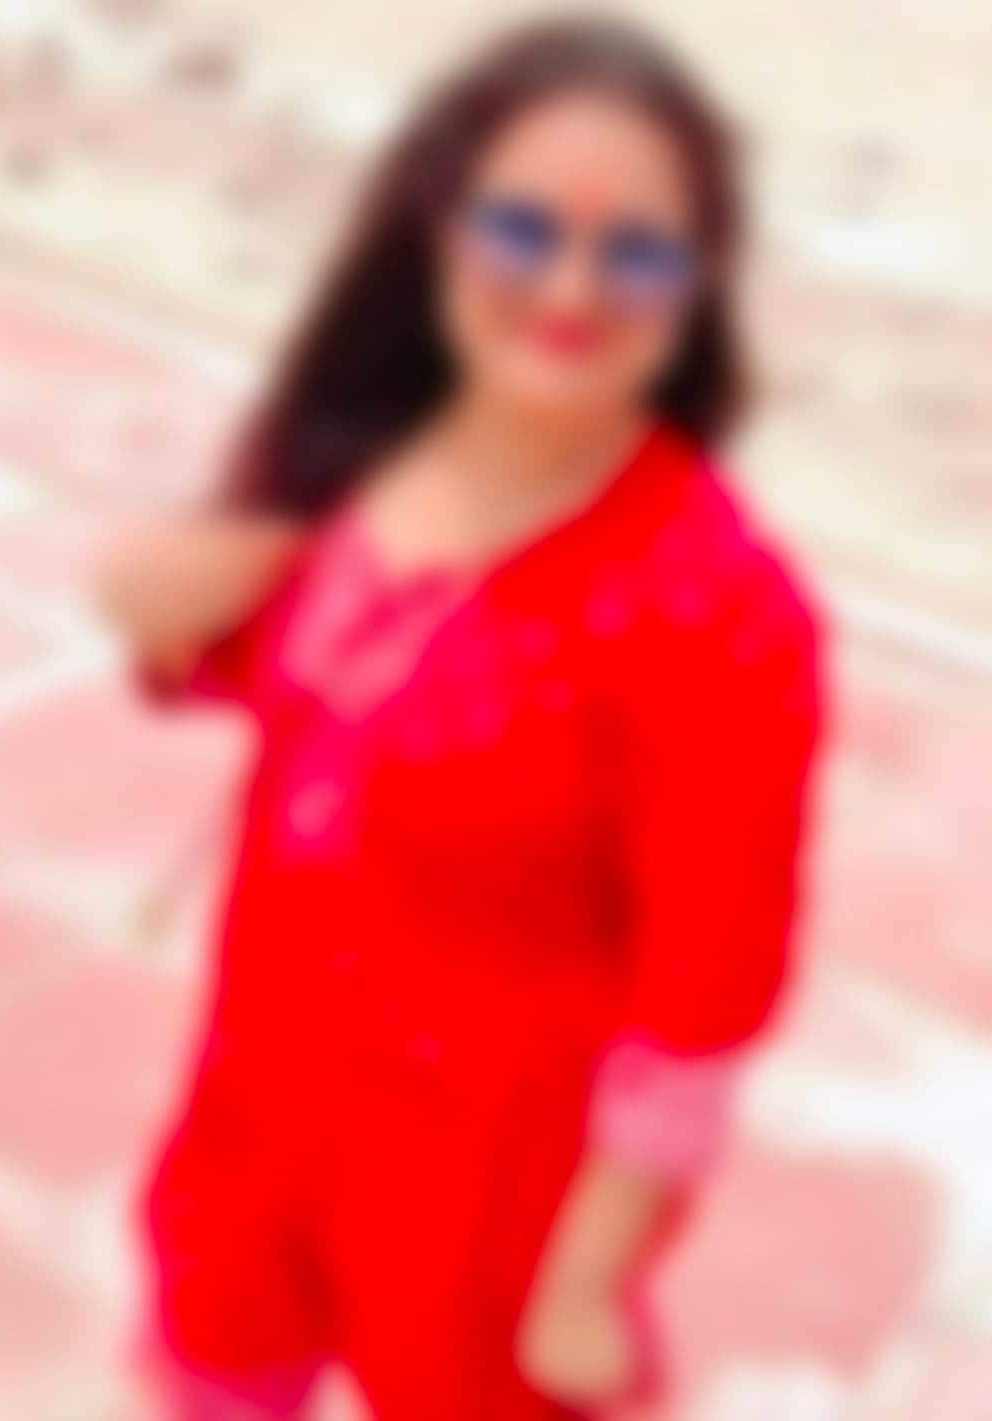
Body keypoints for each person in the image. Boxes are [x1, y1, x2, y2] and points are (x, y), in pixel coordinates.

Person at [101, 17, 823, 1420]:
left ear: (700, 281)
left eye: (637, 251)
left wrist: (586, 1280)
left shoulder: (716, 609)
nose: (571, 288)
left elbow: (703, 1000)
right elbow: (239, 664)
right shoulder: (356, 453)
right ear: (435, 225)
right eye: (521, 228)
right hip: (253, 1123)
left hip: (491, 1207)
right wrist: (151, 596)